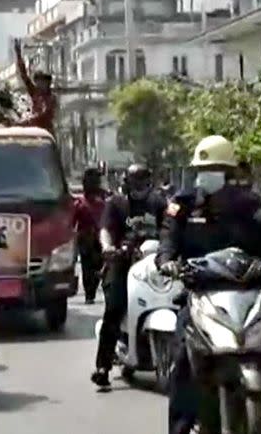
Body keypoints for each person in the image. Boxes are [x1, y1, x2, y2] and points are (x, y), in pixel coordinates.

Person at [156, 135, 261, 434]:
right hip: (200, 295)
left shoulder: (253, 206)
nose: (207, 175)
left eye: (216, 168)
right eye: (203, 169)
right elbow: (168, 240)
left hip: (249, 296)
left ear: (229, 171)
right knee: (182, 361)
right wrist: (167, 261)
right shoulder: (182, 205)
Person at [91, 163, 167, 388]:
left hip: (154, 262)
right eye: (135, 182)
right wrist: (108, 247)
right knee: (114, 308)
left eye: (143, 182)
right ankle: (102, 366)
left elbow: (171, 228)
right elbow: (105, 229)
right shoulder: (116, 203)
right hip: (122, 261)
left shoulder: (159, 203)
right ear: (126, 182)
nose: (139, 187)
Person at [72, 167, 108, 304]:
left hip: (101, 238)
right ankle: (89, 294)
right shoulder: (80, 203)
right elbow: (72, 222)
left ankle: (93, 291)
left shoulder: (104, 201)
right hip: (86, 240)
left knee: (99, 265)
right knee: (88, 267)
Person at [13, 39, 57, 134]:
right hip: (33, 130)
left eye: (42, 80)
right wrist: (18, 55)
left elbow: (43, 115)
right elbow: (24, 76)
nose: (39, 83)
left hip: (45, 132)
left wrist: (27, 121)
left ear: (47, 82)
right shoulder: (35, 92)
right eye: (37, 80)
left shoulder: (51, 98)